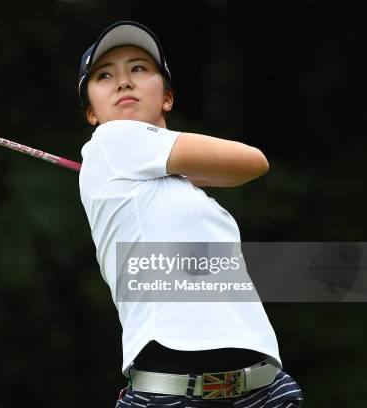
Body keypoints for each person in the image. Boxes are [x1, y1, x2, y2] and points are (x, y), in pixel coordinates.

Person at [77, 21, 304, 407]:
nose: (123, 81)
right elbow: (252, 161)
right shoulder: (113, 139)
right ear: (91, 115)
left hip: (263, 389)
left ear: (167, 97)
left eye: (138, 68)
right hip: (175, 395)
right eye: (104, 75)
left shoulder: (188, 193)